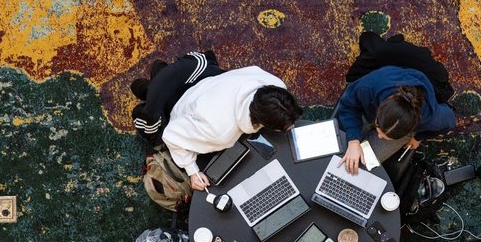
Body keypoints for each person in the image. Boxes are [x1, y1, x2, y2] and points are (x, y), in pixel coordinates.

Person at [161, 66, 303, 191]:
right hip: (185, 108)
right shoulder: (220, 133)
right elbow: (170, 135)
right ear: (263, 123)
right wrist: (193, 172)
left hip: (209, 87)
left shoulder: (276, 85)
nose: (293, 128)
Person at [336, 65, 456, 175]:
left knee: (361, 165)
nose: (378, 136)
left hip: (400, 119)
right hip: (371, 101)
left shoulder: (430, 117)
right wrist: (353, 141)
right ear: (380, 109)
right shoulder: (367, 88)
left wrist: (419, 137)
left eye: (386, 137)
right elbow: (348, 104)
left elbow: (450, 121)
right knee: (342, 150)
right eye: (379, 129)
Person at [130, 51, 224, 147]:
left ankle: (150, 91)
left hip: (178, 127)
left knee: (157, 70)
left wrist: (153, 103)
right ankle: (151, 91)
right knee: (158, 68)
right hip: (191, 108)